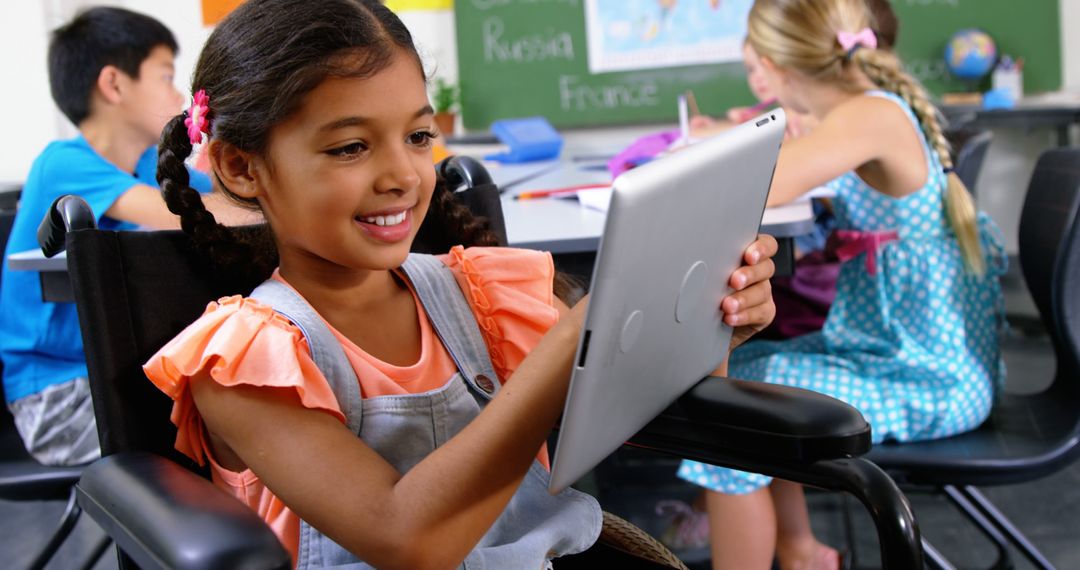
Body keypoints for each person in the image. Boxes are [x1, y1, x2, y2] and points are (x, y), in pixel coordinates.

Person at [140, 0, 779, 568]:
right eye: (350, 147)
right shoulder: (244, 364)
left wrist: (709, 323)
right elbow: (406, 542)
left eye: (419, 136)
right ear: (239, 166)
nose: (403, 175)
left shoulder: (481, 295)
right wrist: (564, 355)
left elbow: (634, 416)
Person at [675, 0, 1007, 568]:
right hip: (899, 357)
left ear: (778, 64)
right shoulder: (862, 112)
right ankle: (802, 550)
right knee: (744, 381)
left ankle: (792, 550)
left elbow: (755, 183)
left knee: (725, 413)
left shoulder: (871, 115)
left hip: (930, 378)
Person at [0, 7, 253, 467]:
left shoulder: (144, 170)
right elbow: (197, 213)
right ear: (114, 84)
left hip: (118, 377)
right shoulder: (63, 164)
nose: (178, 94)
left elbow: (228, 201)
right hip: (59, 399)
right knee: (235, 426)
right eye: (165, 76)